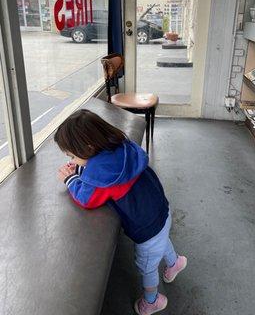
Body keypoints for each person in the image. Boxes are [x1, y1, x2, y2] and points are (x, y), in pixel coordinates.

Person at [54, 109, 187, 315]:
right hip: (160, 210)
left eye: (73, 155)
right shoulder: (119, 146)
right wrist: (80, 168)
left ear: (88, 148)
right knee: (162, 238)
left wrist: (70, 179)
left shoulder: (103, 175)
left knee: (147, 266)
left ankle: (152, 301)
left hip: (146, 229)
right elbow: (99, 169)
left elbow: (87, 198)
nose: (72, 159)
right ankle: (175, 262)